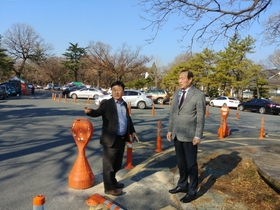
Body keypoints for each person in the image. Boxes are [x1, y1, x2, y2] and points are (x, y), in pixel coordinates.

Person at [84, 81, 139, 196]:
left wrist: (132, 131)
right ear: (111, 91)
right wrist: (90, 112)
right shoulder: (107, 103)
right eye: (114, 90)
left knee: (117, 163)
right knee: (109, 165)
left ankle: (113, 182)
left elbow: (127, 118)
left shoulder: (124, 104)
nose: (116, 92)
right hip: (110, 139)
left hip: (121, 138)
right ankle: (109, 188)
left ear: (123, 91)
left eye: (119, 90)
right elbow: (98, 112)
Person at [166, 69, 206, 203]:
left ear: (190, 79)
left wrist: (198, 135)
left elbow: (200, 117)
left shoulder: (198, 95)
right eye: (179, 78)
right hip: (177, 134)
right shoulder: (177, 93)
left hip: (190, 136)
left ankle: (192, 191)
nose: (180, 80)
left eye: (183, 78)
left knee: (191, 165)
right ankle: (182, 184)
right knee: (181, 163)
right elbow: (173, 113)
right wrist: (170, 130)